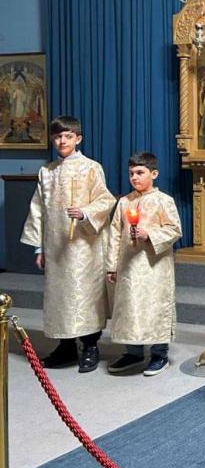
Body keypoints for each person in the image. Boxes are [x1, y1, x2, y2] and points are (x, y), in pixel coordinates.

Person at [21, 115, 116, 372]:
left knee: (85, 295)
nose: (62, 141)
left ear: (78, 139)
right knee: (59, 297)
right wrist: (39, 247)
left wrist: (85, 212)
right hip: (56, 246)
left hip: (85, 246)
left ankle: (90, 346)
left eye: (68, 136)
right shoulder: (47, 172)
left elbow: (105, 200)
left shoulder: (91, 168)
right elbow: (38, 210)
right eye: (57, 136)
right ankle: (65, 347)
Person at [105, 152, 182, 376]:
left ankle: (159, 354)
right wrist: (111, 266)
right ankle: (133, 352)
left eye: (140, 173)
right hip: (129, 266)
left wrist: (149, 234)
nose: (134, 177)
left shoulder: (163, 200)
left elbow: (174, 229)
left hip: (153, 266)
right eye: (131, 173)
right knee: (130, 308)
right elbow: (114, 234)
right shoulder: (124, 202)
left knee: (154, 307)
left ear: (154, 174)